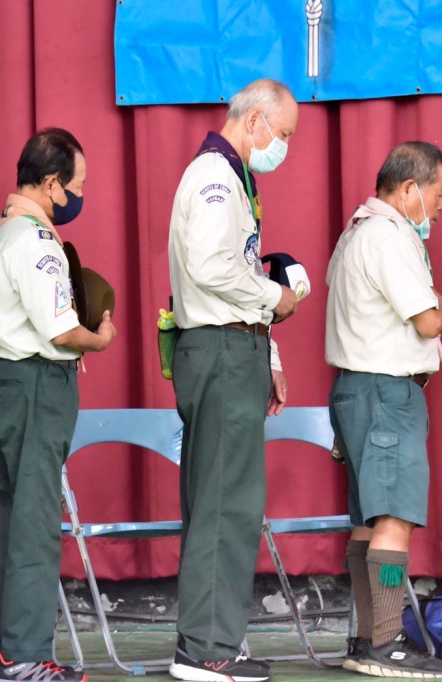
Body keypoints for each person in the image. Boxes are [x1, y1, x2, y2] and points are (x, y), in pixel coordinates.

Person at [166, 78, 300, 682]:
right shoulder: (218, 179)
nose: (284, 146)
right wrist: (276, 298)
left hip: (232, 348)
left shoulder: (232, 178)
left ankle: (212, 638)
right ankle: (206, 649)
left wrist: (267, 354)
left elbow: (230, 268)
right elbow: (214, 267)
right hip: (220, 349)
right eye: (285, 133)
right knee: (225, 503)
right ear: (255, 123)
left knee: (225, 501)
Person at [0, 128, 115, 682]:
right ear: (53, 183)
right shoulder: (35, 240)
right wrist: (99, 336)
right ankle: (25, 656)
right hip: (33, 385)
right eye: (76, 185)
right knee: (34, 525)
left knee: (13, 522)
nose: (79, 196)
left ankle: (10, 650)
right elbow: (61, 332)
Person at [326, 142, 442, 679]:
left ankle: (365, 639)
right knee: (394, 519)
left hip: (357, 388)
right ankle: (386, 642)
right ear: (409, 190)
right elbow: (428, 320)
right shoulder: (389, 235)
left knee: (367, 520)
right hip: (385, 393)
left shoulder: (355, 231)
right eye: (439, 192)